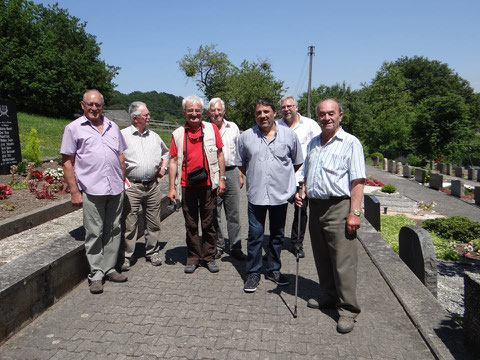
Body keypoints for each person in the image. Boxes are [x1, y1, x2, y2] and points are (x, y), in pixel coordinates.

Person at [295, 98, 365, 334]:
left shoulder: (351, 143)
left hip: (338, 206)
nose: (326, 118)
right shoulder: (314, 143)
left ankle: (347, 309)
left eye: (331, 113)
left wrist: (354, 212)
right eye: (322, 114)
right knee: (322, 256)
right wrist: (302, 191)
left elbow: (357, 181)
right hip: (315, 207)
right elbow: (308, 173)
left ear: (340, 115)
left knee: (343, 261)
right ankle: (328, 295)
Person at [61, 89, 128, 295]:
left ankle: (109, 268)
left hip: (115, 188)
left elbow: (120, 155)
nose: (94, 108)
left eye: (97, 104)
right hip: (92, 188)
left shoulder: (112, 126)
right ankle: (96, 274)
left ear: (102, 106)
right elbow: (67, 162)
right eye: (90, 104)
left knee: (114, 229)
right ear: (83, 106)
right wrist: (74, 191)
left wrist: (122, 180)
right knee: (94, 232)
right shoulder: (74, 129)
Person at [235, 98, 303, 293]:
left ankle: (274, 269)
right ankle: (253, 273)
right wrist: (257, 174)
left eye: (266, 111)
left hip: (280, 195)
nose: (262, 116)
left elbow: (296, 162)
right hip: (256, 195)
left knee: (277, 236)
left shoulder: (289, 136)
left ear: (274, 113)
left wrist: (281, 177)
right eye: (259, 113)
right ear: (255, 115)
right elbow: (241, 162)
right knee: (255, 236)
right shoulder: (246, 137)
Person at [167, 95, 226, 274]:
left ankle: (208, 257)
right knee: (191, 224)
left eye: (197, 111)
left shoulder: (211, 129)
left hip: (208, 184)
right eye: (190, 111)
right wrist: (171, 187)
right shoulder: (177, 134)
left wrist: (222, 178)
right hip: (186, 185)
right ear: (184, 112)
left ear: (202, 112)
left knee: (209, 222)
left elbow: (220, 154)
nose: (194, 114)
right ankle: (193, 257)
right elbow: (173, 161)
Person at [120, 101, 169, 270]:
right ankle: (127, 255)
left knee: (154, 221)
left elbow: (167, 153)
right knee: (129, 222)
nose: (149, 117)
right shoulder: (123, 135)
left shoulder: (154, 136)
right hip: (132, 186)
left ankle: (152, 252)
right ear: (135, 118)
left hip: (152, 186)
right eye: (146, 115)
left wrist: (164, 167)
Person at [277, 95, 320, 258]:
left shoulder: (310, 125)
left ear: (296, 107)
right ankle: (277, 241)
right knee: (278, 212)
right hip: (281, 178)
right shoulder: (277, 125)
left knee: (301, 212)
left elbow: (317, 150)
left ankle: (296, 243)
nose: (286, 109)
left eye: (290, 106)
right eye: (283, 107)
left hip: (302, 177)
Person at [207, 97, 246, 261]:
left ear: (224, 111)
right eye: (213, 110)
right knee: (214, 212)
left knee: (234, 213)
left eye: (219, 110)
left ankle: (236, 246)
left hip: (231, 172)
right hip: (212, 173)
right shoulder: (206, 129)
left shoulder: (233, 127)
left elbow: (239, 151)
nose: (216, 113)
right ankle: (218, 246)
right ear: (209, 113)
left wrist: (240, 173)